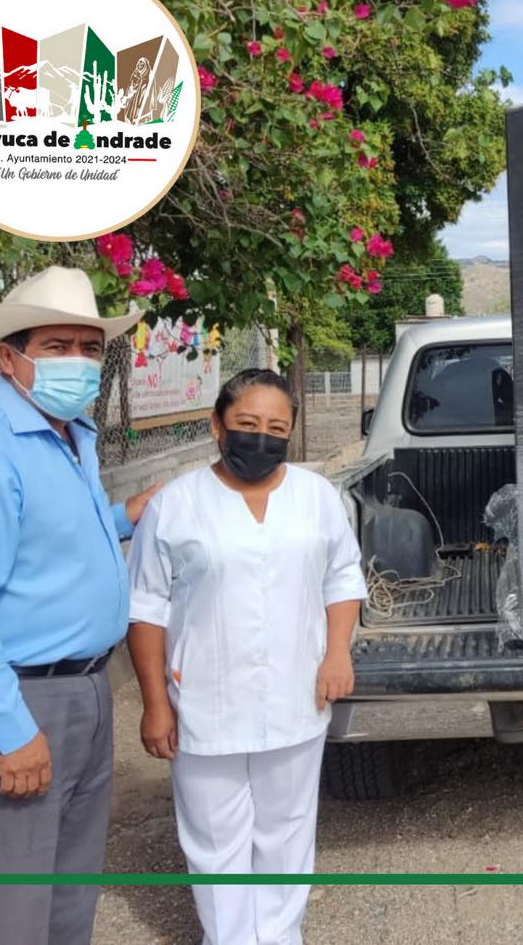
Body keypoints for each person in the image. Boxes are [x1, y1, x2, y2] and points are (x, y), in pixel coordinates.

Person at [0, 265, 160, 945]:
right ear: (9, 358)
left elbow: (40, 540)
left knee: (66, 894)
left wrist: (121, 516)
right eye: (57, 346)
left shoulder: (67, 434)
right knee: (14, 912)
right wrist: (8, 726)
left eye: (88, 347)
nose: (77, 362)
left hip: (83, 691)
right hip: (20, 699)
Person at [127, 368, 368, 945]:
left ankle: (282, 936)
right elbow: (146, 609)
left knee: (287, 833)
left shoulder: (317, 497)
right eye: (246, 424)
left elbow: (342, 579)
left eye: (276, 428)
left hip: (297, 693)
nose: (261, 438)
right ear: (217, 425)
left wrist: (338, 654)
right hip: (205, 702)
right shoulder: (177, 504)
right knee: (215, 840)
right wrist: (154, 704)